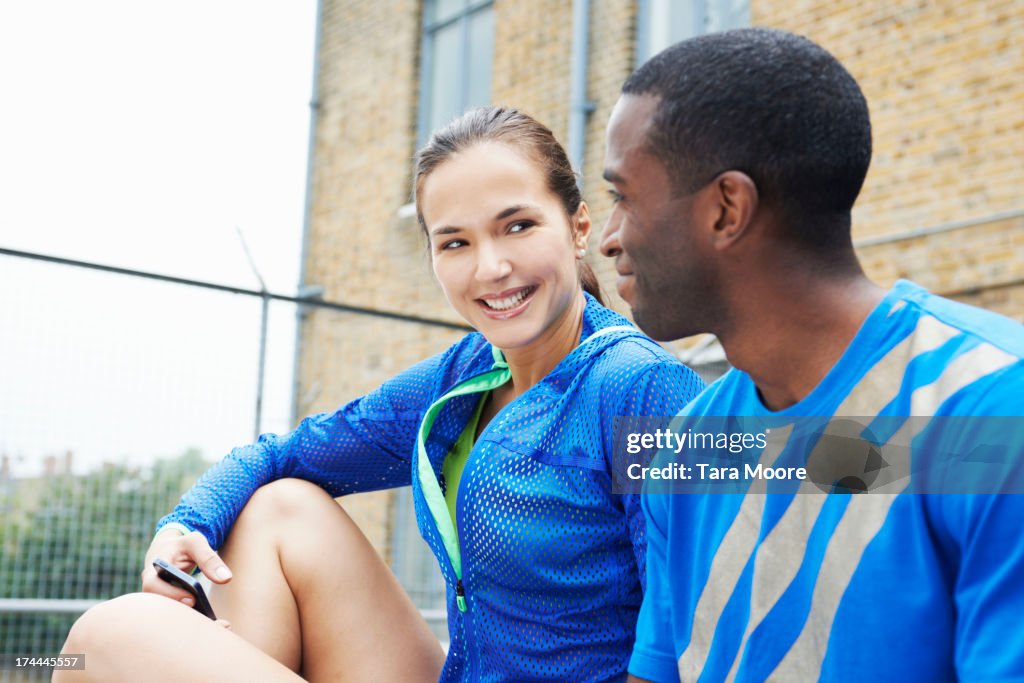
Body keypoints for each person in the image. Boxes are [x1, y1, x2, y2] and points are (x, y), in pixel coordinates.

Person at [57, 106, 705, 682]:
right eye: (456, 241)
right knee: (281, 508)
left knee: (105, 639)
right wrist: (185, 521)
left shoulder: (638, 386)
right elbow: (284, 454)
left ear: (577, 225)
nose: (490, 267)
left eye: (517, 226)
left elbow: (684, 637)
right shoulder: (463, 376)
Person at [598, 27, 1024, 683]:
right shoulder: (690, 448)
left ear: (726, 209)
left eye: (623, 196)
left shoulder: (993, 415)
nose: (608, 237)